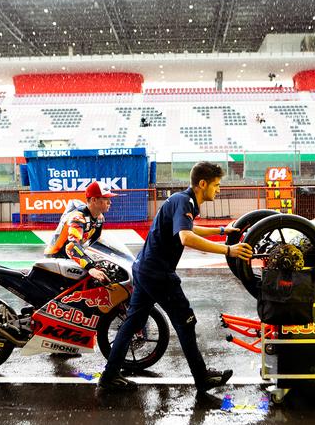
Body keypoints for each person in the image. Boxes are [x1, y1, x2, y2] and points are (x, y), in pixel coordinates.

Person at [98, 161, 253, 392]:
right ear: (203, 184)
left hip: (144, 269)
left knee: (133, 323)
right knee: (186, 321)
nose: (219, 189)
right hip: (157, 274)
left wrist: (221, 231)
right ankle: (202, 378)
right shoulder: (185, 201)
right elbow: (186, 237)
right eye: (216, 185)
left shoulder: (182, 200)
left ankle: (109, 376)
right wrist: (228, 250)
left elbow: (189, 228)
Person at [44, 180, 117, 284]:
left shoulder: (100, 218)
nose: (110, 202)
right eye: (106, 199)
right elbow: (71, 247)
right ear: (94, 200)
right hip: (56, 258)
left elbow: (95, 242)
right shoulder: (78, 218)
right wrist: (90, 268)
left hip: (72, 258)